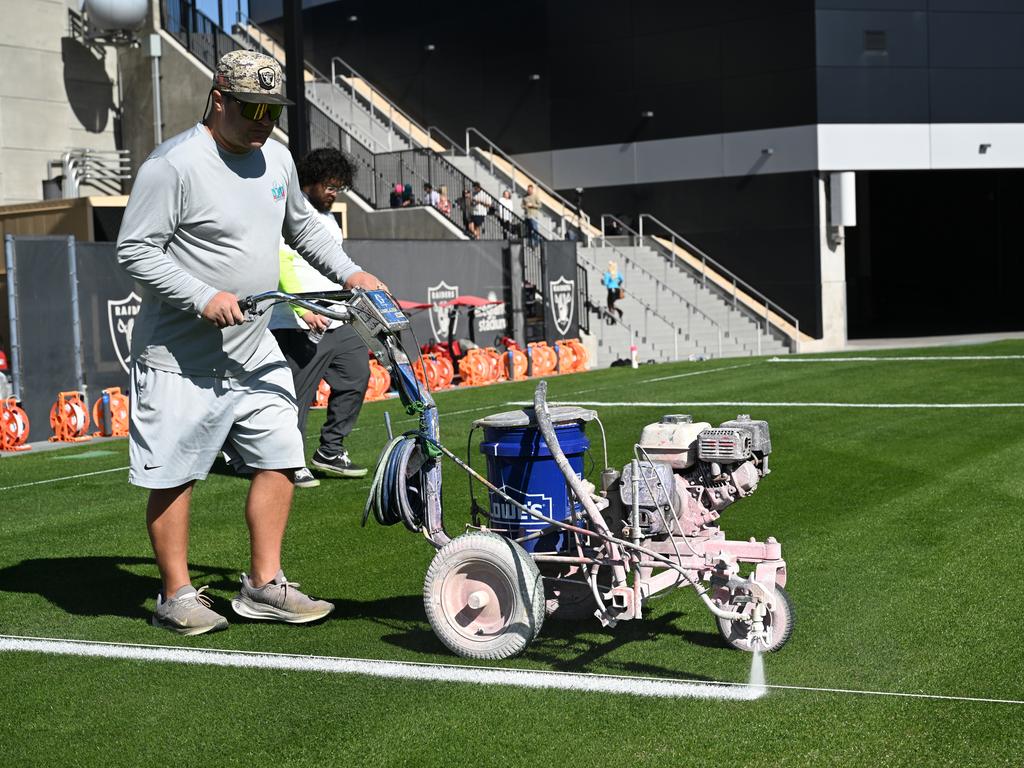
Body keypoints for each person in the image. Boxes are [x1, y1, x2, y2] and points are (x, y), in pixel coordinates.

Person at [116, 50, 386, 636]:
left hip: (252, 344)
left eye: (273, 109)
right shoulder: (173, 166)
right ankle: (176, 593)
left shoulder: (278, 159)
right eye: (252, 108)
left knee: (282, 456)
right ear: (219, 100)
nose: (264, 119)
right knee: (176, 473)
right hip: (179, 356)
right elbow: (135, 250)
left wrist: (350, 272)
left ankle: (264, 585)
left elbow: (305, 225)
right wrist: (201, 295)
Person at [270, 148, 372, 489]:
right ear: (310, 182)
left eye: (338, 186)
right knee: (296, 397)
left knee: (356, 375)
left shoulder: (329, 218)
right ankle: (291, 462)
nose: (333, 192)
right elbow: (282, 264)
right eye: (329, 185)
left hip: (336, 319)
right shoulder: (288, 213)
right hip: (296, 323)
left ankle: (330, 450)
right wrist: (303, 308)